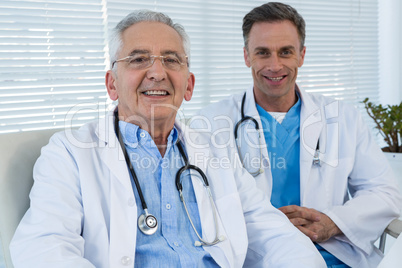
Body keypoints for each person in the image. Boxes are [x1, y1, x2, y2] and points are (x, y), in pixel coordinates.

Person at [9, 10, 325, 268]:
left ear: (188, 85)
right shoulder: (69, 154)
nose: (157, 72)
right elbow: (43, 248)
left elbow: (275, 236)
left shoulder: (216, 151)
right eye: (138, 59)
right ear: (112, 84)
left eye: (171, 59)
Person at [190, 2, 402, 268]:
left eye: (286, 52)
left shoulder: (344, 118)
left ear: (301, 55)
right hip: (254, 257)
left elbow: (383, 192)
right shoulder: (210, 123)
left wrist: (332, 222)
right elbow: (201, 206)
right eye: (263, 53)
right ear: (247, 57)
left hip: (334, 254)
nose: (275, 65)